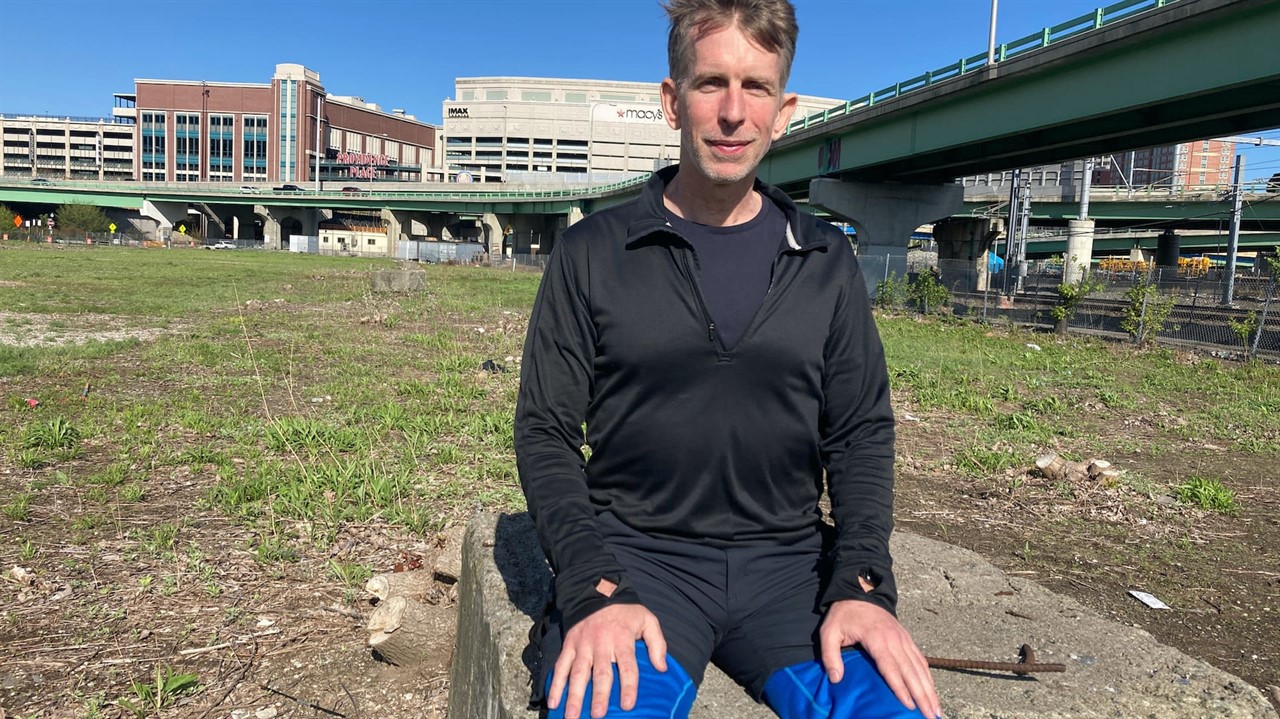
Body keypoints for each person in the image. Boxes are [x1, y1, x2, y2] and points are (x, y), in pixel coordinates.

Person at [514, 1, 941, 717]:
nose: (734, 113)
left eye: (757, 88)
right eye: (712, 83)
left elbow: (861, 431)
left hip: (791, 573)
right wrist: (591, 584)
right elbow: (546, 431)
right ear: (671, 100)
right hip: (638, 564)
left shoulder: (826, 260)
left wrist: (863, 582)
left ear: (785, 110)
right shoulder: (592, 253)